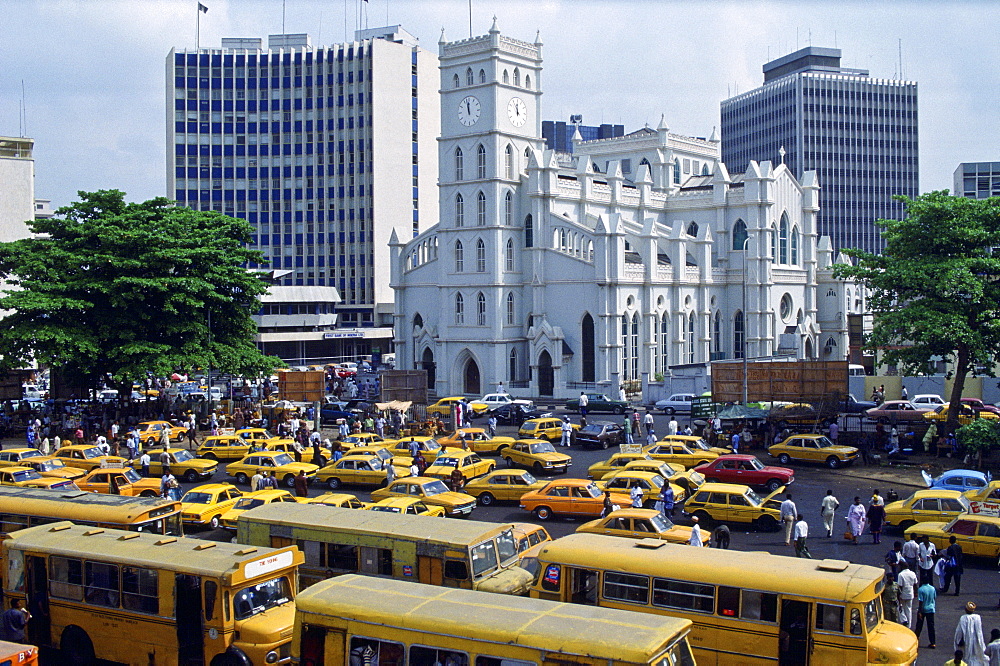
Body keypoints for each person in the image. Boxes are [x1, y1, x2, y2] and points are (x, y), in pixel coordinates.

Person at [955, 602, 986, 666]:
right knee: (976, 652)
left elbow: (960, 630)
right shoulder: (977, 617)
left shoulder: (963, 618)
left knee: (967, 653)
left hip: (967, 638)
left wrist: (959, 639)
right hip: (976, 638)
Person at [915, 578, 937, 649]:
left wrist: (919, 611)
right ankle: (933, 642)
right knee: (931, 627)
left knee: (919, 626)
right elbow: (934, 597)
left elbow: (921, 601)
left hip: (923, 609)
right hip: (931, 609)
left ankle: (916, 640)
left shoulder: (921, 589)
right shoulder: (932, 588)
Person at [896, 563, 918, 629]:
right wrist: (916, 592)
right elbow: (915, 584)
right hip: (910, 593)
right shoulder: (912, 573)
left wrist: (898, 595)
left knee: (900, 607)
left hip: (903, 594)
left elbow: (900, 586)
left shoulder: (901, 574)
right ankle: (909, 626)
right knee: (908, 609)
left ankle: (904, 620)